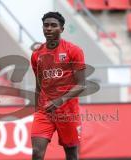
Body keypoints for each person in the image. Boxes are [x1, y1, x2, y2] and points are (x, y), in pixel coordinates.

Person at [31, 12, 86, 160]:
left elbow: (81, 85)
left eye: (53, 25)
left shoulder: (74, 51)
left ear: (61, 29)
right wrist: (37, 110)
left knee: (72, 155)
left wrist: (59, 101)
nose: (49, 28)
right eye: (46, 25)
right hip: (44, 111)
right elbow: (38, 85)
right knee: (37, 152)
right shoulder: (36, 55)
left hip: (68, 112)